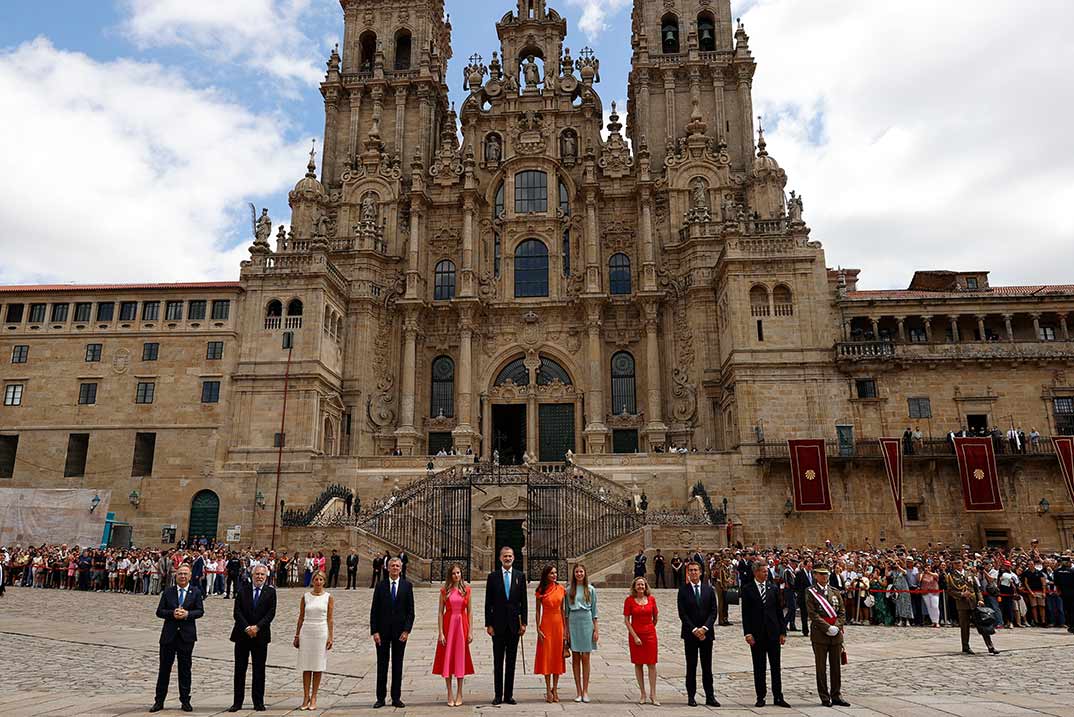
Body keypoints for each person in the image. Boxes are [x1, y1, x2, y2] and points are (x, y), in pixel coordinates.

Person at [151, 564, 204, 713]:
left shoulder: (195, 592)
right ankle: (159, 701)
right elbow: (159, 611)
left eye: (185, 574)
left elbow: (200, 611)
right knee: (164, 669)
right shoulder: (168, 592)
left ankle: (185, 700)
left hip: (186, 636)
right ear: (176, 575)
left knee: (185, 669)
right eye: (180, 573)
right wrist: (171, 613)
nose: (182, 576)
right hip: (169, 635)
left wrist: (187, 614)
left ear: (190, 576)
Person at [742, 560, 789, 708]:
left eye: (767, 571)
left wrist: (782, 631)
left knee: (776, 667)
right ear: (756, 572)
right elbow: (746, 614)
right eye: (763, 571)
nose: (766, 573)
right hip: (757, 634)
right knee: (759, 667)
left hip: (773, 633)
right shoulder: (748, 589)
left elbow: (778, 611)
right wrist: (748, 633)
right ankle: (760, 696)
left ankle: (778, 696)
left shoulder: (772, 588)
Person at [229, 565, 277, 712]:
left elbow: (271, 613)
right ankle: (237, 702)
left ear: (266, 576)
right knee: (240, 669)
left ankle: (258, 701)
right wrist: (247, 628)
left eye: (262, 574)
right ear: (252, 575)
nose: (259, 577)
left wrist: (257, 627)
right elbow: (237, 612)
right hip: (242, 635)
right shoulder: (243, 590)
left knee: (259, 670)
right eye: (257, 574)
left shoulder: (270, 592)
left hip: (260, 635)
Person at [484, 545, 528, 706]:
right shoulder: (493, 577)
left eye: (510, 556)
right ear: (500, 558)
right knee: (498, 662)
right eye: (505, 556)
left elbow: (524, 602)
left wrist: (524, 622)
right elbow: (488, 603)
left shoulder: (520, 576)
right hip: (498, 625)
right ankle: (497, 695)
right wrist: (488, 624)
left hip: (514, 626)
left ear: (514, 558)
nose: (508, 558)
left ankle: (508, 695)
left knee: (511, 661)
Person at [370, 557, 414, 708]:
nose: (395, 568)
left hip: (400, 632)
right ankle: (380, 698)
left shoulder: (407, 586)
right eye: (392, 565)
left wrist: (407, 630)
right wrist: (374, 631)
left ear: (401, 568)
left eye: (397, 566)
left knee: (397, 665)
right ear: (388, 568)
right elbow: (374, 610)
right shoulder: (380, 586)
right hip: (382, 632)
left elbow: (410, 612)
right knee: (382, 665)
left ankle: (396, 697)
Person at [805, 566, 849, 708]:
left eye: (826, 574)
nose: (825, 577)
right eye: (821, 574)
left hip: (836, 634)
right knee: (821, 667)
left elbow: (842, 611)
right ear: (815, 575)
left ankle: (836, 694)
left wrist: (837, 626)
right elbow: (812, 614)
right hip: (820, 634)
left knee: (836, 666)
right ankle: (824, 696)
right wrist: (827, 627)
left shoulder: (834, 591)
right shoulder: (810, 592)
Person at [677, 561, 719, 707]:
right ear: (688, 573)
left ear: (701, 572)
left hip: (706, 634)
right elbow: (682, 613)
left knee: (707, 666)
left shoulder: (709, 590)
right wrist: (694, 629)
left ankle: (710, 696)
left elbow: (714, 611)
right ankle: (691, 696)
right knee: (691, 665)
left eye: (696, 570)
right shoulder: (683, 590)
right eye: (691, 570)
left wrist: (705, 628)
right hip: (690, 634)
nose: (694, 572)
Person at [432, 563, 474, 707]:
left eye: (459, 573)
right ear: (450, 575)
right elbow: (439, 612)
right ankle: (449, 692)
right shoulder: (444, 591)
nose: (457, 575)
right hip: (448, 625)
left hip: (461, 626)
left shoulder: (467, 590)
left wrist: (471, 630)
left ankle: (460, 693)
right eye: (454, 573)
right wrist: (440, 633)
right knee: (448, 659)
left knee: (460, 659)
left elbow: (470, 612)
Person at [295, 570, 334, 710]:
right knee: (306, 665)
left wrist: (331, 636)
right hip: (307, 631)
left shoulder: (328, 597)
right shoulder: (305, 596)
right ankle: (305, 697)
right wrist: (297, 635)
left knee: (317, 666)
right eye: (316, 579)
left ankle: (314, 697)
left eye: (321, 580)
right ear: (312, 581)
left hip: (321, 631)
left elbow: (330, 618)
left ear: (324, 581)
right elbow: (301, 617)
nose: (318, 582)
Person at [946, 559, 998, 655]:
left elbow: (977, 588)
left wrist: (981, 599)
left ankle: (990, 646)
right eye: (955, 563)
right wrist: (961, 594)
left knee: (983, 624)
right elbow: (949, 590)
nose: (958, 564)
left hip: (974, 603)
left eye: (959, 562)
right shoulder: (951, 576)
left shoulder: (969, 573)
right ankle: (965, 646)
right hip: (962, 604)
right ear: (953, 565)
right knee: (965, 627)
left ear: (962, 563)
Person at [533, 564, 568, 702]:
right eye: (552, 573)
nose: (554, 575)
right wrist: (537, 628)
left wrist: (566, 630)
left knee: (557, 657)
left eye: (555, 573)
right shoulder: (541, 590)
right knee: (547, 657)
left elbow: (563, 610)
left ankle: (555, 687)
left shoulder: (561, 589)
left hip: (558, 624)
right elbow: (537, 610)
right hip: (546, 624)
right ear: (546, 575)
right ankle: (547, 689)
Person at [624, 576, 659, 705]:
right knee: (638, 663)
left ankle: (653, 694)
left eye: (642, 585)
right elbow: (627, 620)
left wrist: (649, 629)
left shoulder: (651, 599)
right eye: (638, 585)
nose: (640, 587)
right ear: (634, 587)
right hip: (635, 635)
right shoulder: (629, 600)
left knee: (651, 664)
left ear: (646, 586)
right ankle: (643, 693)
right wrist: (635, 636)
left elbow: (655, 617)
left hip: (650, 635)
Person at [566, 564, 598, 703]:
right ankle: (578, 691)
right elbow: (566, 613)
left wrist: (596, 629)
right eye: (577, 572)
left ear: (585, 573)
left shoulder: (590, 589)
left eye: (581, 571)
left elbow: (595, 611)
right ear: (574, 574)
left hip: (586, 621)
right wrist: (566, 631)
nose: (579, 574)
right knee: (576, 656)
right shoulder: (569, 590)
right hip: (573, 621)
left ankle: (585, 690)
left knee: (586, 656)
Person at [1055, 555, 1074, 632]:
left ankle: (1069, 624)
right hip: (1072, 592)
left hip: (1063, 593)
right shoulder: (1072, 571)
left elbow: (1056, 583)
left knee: (1067, 609)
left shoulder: (1057, 571)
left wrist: (1059, 591)